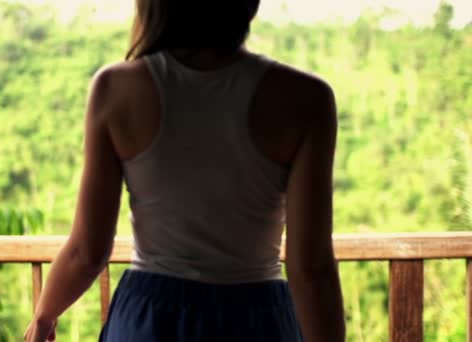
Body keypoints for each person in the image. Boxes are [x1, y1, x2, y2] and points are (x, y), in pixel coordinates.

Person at [24, 0, 345, 341]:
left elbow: (87, 253)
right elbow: (311, 269)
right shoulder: (305, 98)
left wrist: (45, 316)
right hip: (258, 315)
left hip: (151, 316)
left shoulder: (116, 89)